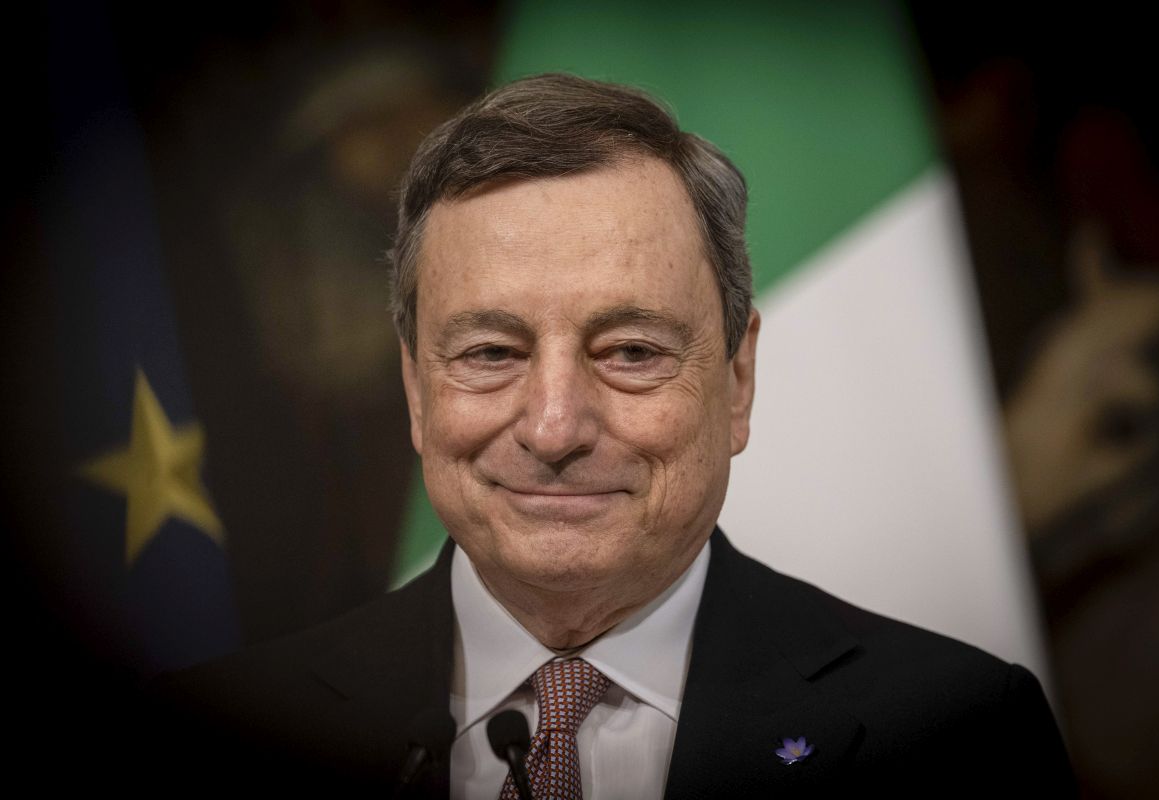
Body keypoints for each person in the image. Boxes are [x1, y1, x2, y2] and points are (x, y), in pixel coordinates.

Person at [152, 73, 1076, 798]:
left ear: (737, 379)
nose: (555, 427)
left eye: (631, 351)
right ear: (415, 390)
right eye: (490, 353)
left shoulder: (958, 735)